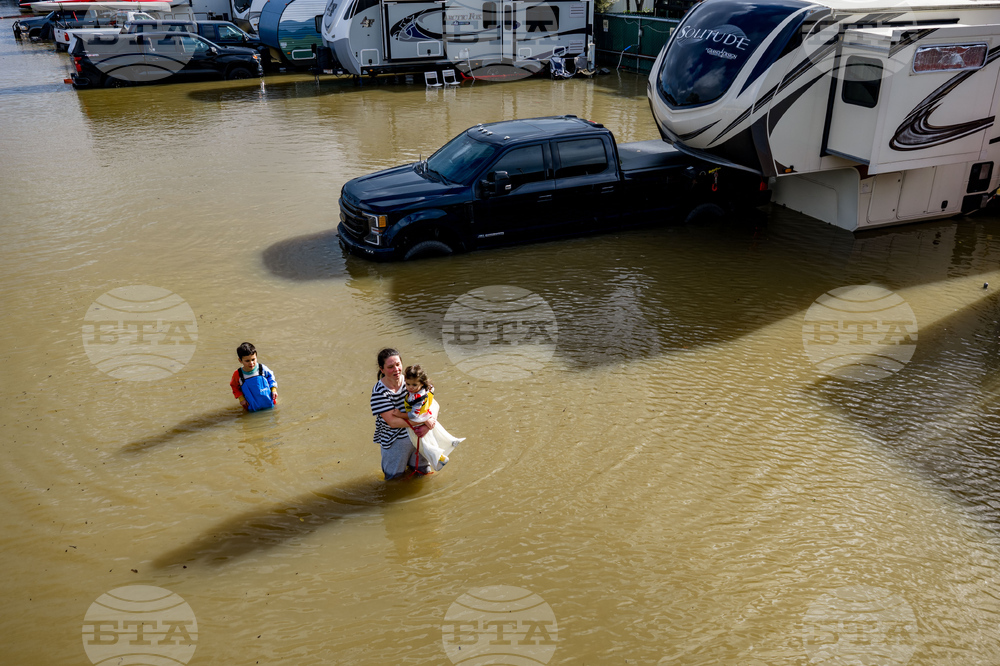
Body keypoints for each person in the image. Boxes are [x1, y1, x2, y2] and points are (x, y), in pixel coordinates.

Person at [370, 348, 436, 480]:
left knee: (424, 475)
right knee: (394, 480)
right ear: (382, 369)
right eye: (390, 367)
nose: (396, 369)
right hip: (395, 441)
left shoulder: (411, 380)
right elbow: (393, 422)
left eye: (398, 364)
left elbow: (433, 404)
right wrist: (423, 420)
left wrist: (429, 423)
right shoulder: (379, 392)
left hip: (418, 435)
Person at [399, 364, 464, 472]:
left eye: (414, 385)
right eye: (408, 384)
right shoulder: (427, 389)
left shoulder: (417, 398)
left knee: (424, 445)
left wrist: (399, 414)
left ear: (422, 383)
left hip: (419, 421)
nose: (410, 387)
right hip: (427, 416)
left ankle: (440, 458)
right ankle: (450, 441)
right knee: (436, 431)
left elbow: (414, 415)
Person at [230, 342, 277, 412]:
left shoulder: (262, 368)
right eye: (247, 361)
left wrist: (274, 390)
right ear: (240, 360)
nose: (251, 363)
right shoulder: (238, 374)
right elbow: (234, 387)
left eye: (253, 359)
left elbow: (271, 378)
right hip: (250, 406)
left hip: (269, 402)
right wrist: (241, 398)